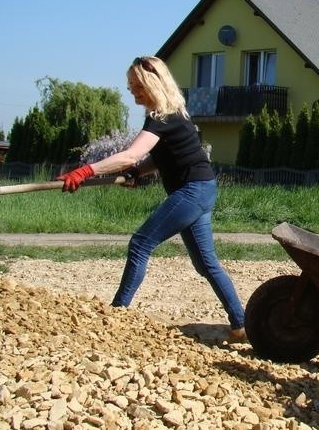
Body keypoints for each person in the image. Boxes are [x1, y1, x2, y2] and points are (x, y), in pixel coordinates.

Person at [57, 56, 246, 343]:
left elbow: (131, 154)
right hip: (201, 188)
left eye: (137, 86)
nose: (132, 91)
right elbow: (159, 159)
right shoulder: (173, 114)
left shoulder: (163, 118)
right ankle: (241, 324)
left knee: (141, 243)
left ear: (152, 84)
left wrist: (85, 171)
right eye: (130, 86)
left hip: (193, 191)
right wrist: (137, 173)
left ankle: (116, 314)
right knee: (206, 265)